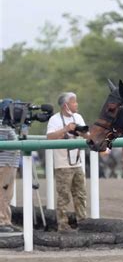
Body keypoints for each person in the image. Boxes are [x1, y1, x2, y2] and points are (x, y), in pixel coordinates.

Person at [46, 92, 88, 232]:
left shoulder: (78, 117)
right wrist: (65, 129)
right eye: (74, 102)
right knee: (64, 196)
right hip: (62, 164)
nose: (77, 104)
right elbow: (50, 137)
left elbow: (88, 135)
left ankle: (83, 222)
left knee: (81, 194)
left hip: (77, 163)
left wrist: (80, 131)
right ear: (66, 105)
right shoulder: (54, 119)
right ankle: (63, 225)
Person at [0, 100, 21, 233]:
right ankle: (2, 221)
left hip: (10, 164)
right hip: (4, 165)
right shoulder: (2, 126)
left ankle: (6, 220)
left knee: (7, 195)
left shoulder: (9, 126)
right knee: (2, 195)